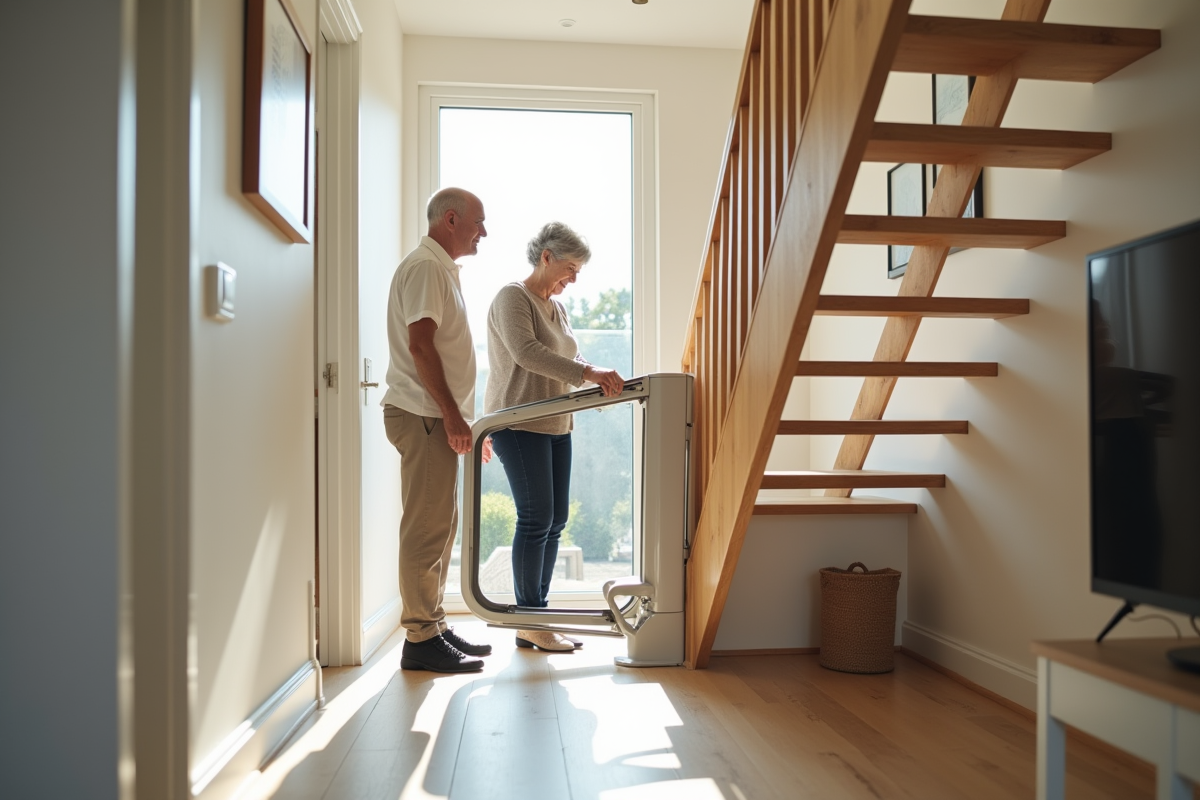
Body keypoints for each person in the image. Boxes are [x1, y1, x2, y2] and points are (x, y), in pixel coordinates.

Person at [484, 222, 625, 652]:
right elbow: (527, 353)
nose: (574, 278)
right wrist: (587, 374)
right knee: (535, 518)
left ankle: (537, 618)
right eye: (570, 267)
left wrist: (598, 379)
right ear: (546, 257)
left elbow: (570, 355)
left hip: (556, 423)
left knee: (556, 519)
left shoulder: (557, 308)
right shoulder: (513, 297)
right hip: (518, 421)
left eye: (579, 270)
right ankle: (530, 619)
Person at [382, 187, 495, 673]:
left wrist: (459, 418)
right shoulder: (427, 268)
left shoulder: (437, 269)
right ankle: (420, 638)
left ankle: (434, 623)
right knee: (427, 528)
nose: (484, 232)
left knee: (440, 526)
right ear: (451, 219)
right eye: (478, 222)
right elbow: (421, 347)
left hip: (433, 415)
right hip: (425, 414)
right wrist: (451, 414)